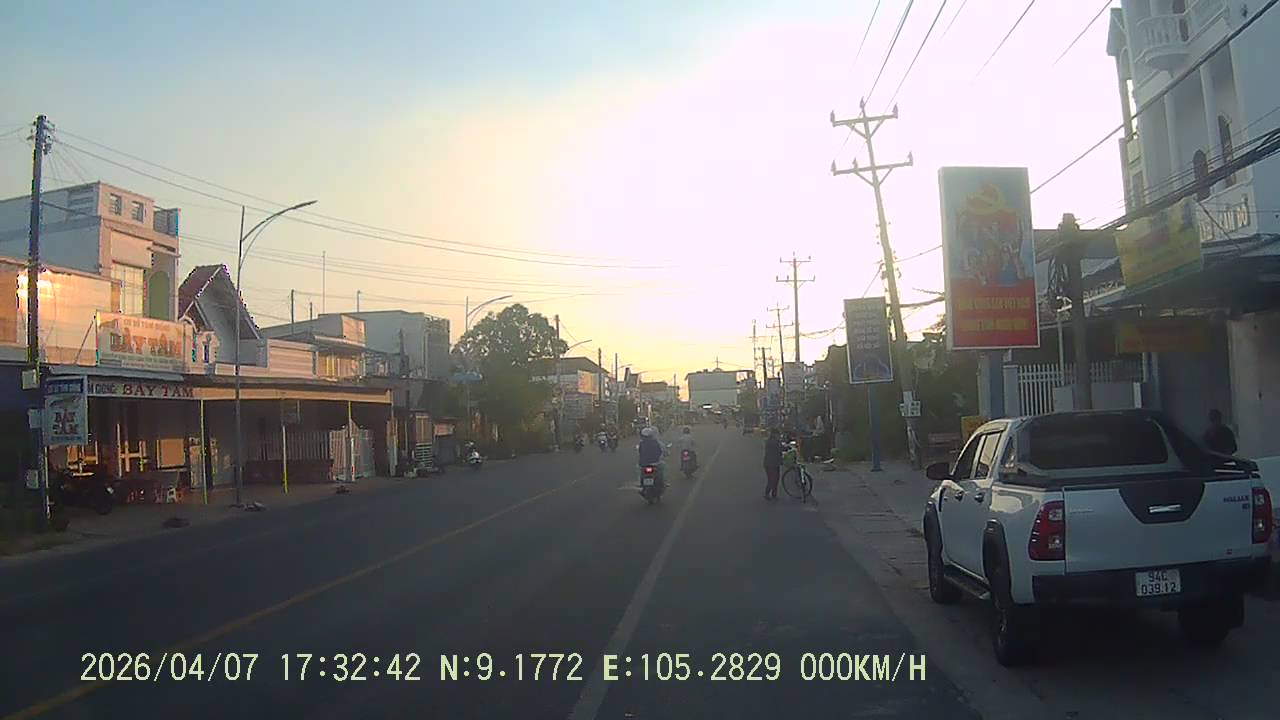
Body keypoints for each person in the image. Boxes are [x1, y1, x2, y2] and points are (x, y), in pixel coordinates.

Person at [763, 427, 784, 500]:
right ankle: (767, 494)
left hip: (773, 463)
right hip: (771, 464)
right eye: (778, 434)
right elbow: (779, 449)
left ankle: (774, 494)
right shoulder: (773, 442)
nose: (779, 435)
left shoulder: (772, 440)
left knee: (775, 479)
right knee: (772, 479)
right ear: (775, 434)